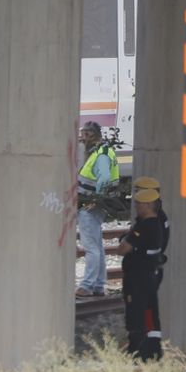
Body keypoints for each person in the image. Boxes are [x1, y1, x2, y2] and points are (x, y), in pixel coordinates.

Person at [117, 177, 169, 361]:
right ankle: (152, 351)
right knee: (149, 313)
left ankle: (138, 351)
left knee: (137, 313)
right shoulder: (160, 218)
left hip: (140, 275)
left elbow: (123, 248)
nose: (136, 201)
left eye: (139, 195)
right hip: (150, 271)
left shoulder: (147, 223)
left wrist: (127, 238)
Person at [75, 120, 119, 298]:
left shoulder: (101, 155)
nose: (82, 138)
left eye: (84, 134)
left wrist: (96, 199)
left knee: (91, 247)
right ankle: (99, 285)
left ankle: (87, 285)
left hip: (90, 206)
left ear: (91, 135)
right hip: (93, 206)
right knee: (97, 246)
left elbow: (105, 178)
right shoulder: (102, 151)